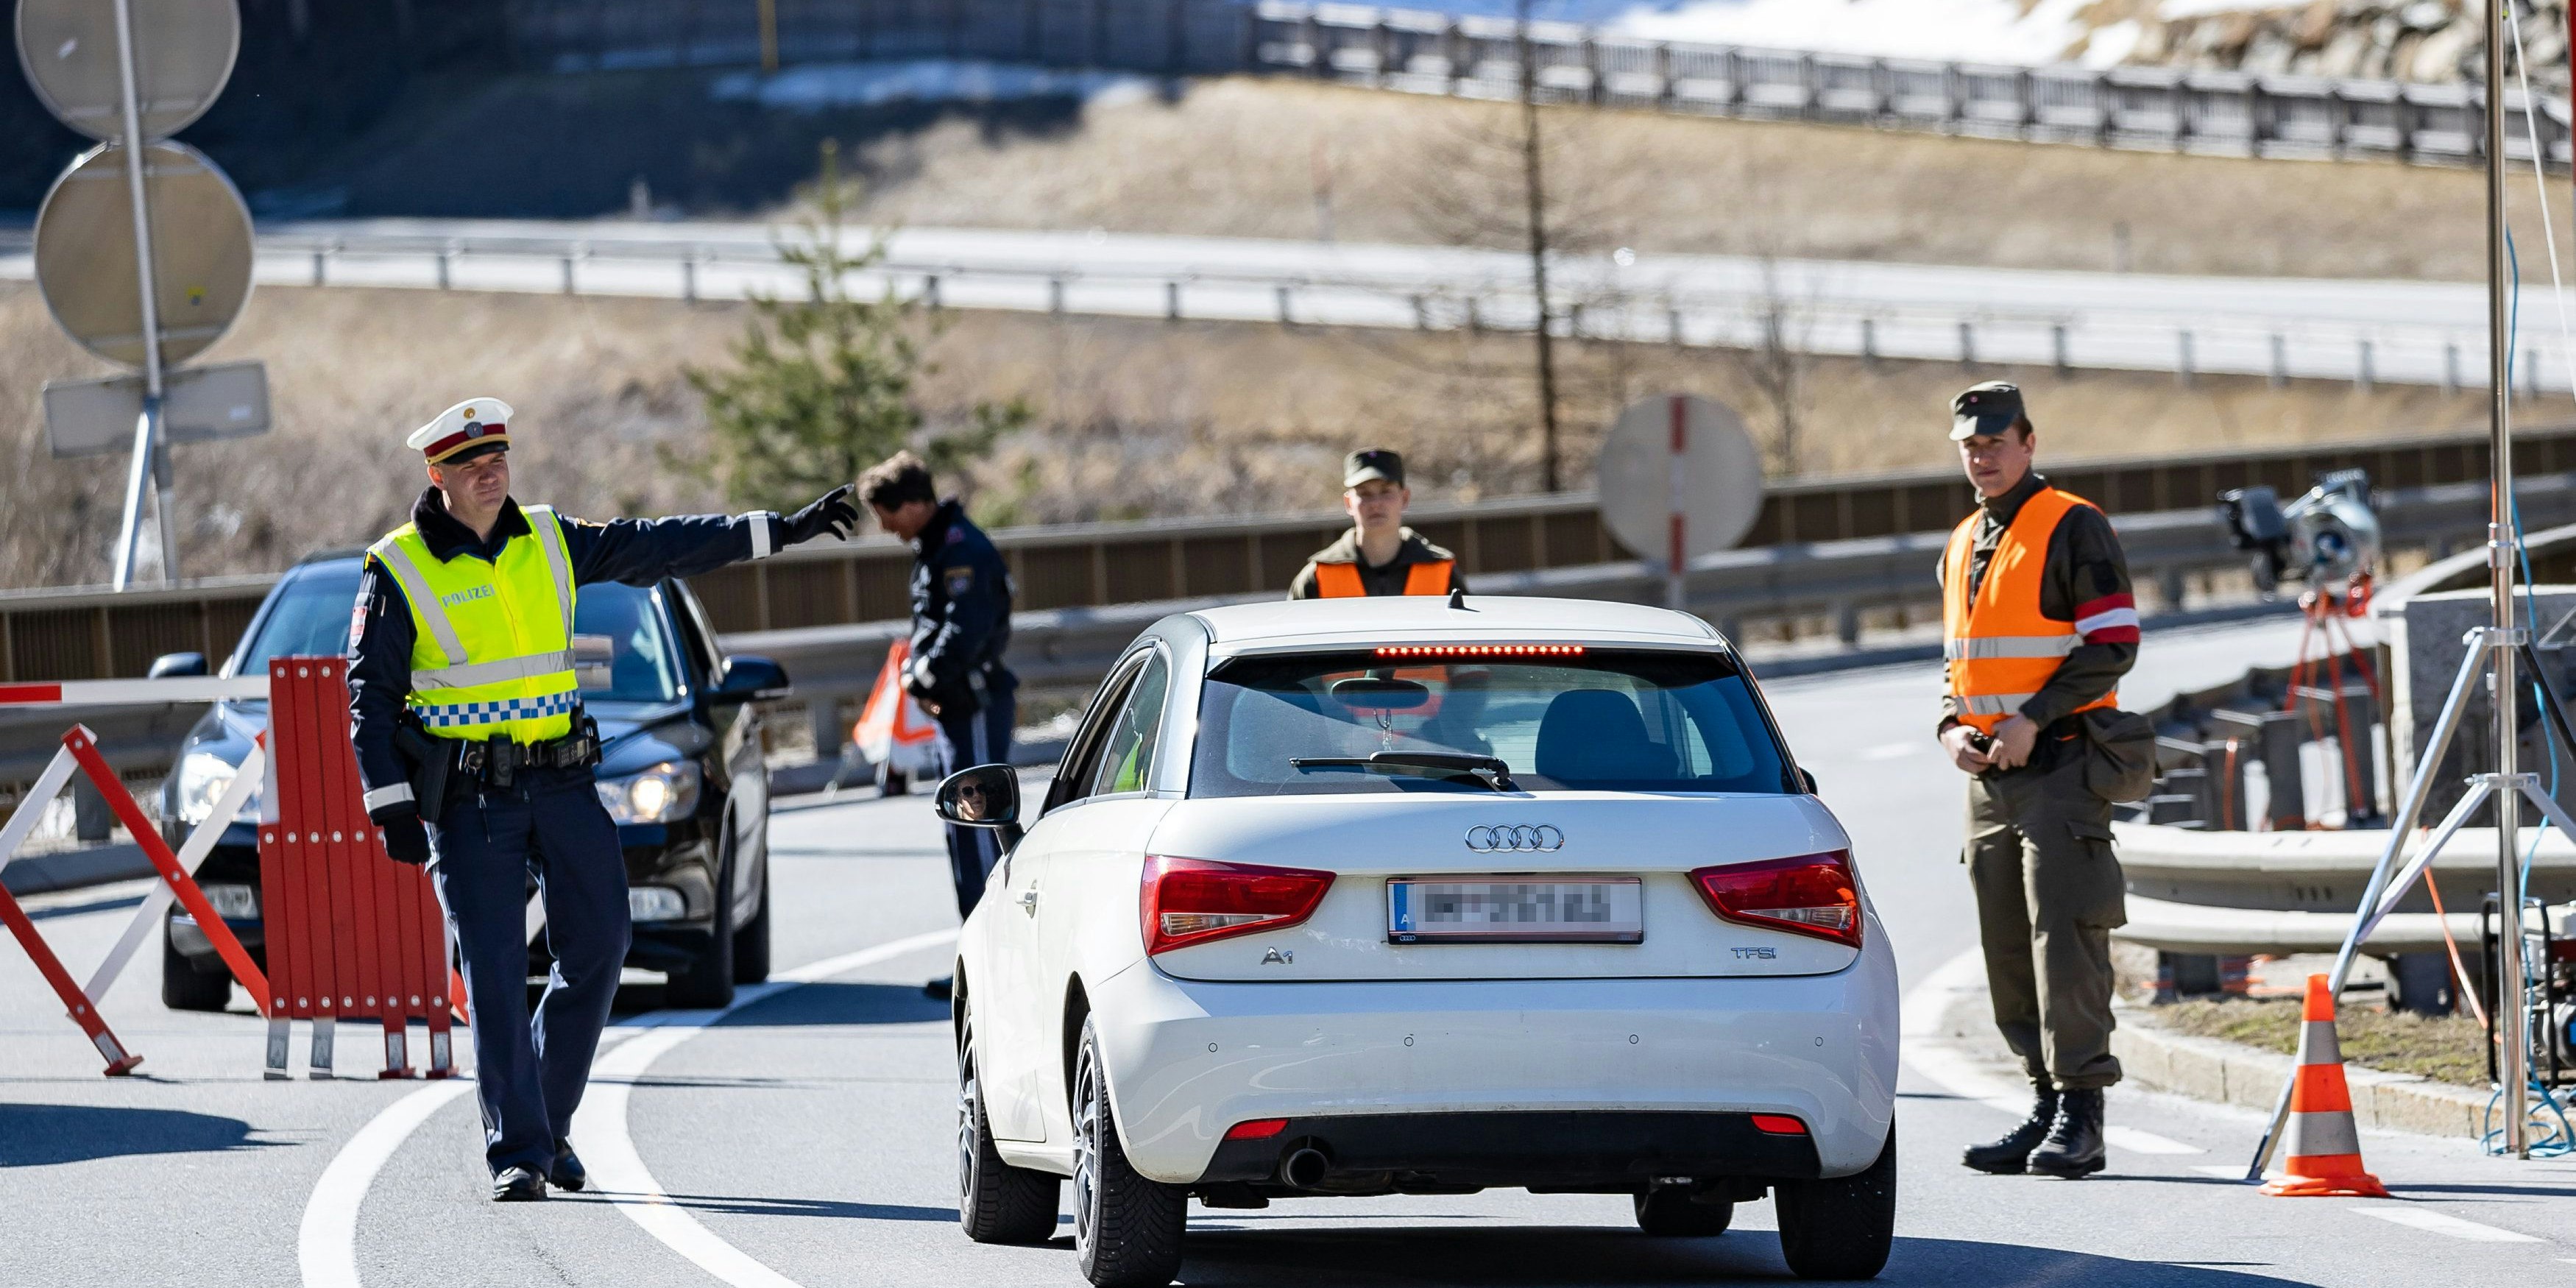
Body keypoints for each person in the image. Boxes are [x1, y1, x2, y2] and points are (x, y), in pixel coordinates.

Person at [347, 397, 857, 1202]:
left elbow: (662, 545)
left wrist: (778, 529)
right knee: (492, 971)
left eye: (500, 460)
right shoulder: (398, 565)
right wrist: (390, 806)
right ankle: (517, 1151)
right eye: (472, 466)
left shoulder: (548, 537)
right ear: (437, 474)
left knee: (601, 946)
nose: (491, 475)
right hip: (471, 799)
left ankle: (547, 1126)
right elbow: (370, 699)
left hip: (562, 781)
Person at [1935, 382, 2140, 1181]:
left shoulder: (2071, 525)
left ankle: (2082, 1114)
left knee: (2067, 941)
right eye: (1968, 445)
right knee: (2006, 944)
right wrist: (1950, 724)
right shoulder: (1960, 540)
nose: (1980, 456)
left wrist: (2033, 716)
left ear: (2027, 442)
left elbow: (2113, 642)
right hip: (1987, 771)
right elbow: (1958, 661)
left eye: (1994, 442)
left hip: (2060, 761)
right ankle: (2043, 1104)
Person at [857, 451, 1016, 1002]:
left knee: (977, 838)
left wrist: (920, 677)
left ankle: (997, 964)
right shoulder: (935, 548)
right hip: (956, 711)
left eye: (887, 513)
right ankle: (978, 964)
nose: (883, 527)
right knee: (961, 835)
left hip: (971, 709)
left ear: (917, 503)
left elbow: (964, 632)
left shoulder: (960, 551)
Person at [1288, 449, 1468, 599]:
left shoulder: (1441, 570)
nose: (1375, 503)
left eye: (1386, 492)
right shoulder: (1318, 576)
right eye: (1364, 494)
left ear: (1404, 498)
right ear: (1349, 503)